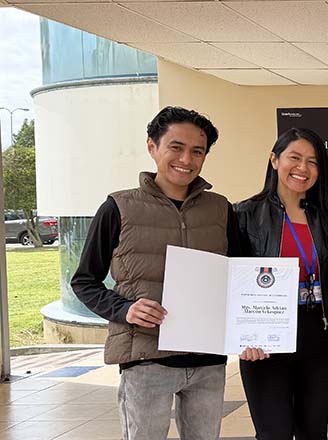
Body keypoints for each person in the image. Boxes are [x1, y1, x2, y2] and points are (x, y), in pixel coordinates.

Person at [71, 106, 236, 440]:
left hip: (208, 360)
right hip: (146, 359)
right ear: (152, 146)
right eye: (176, 147)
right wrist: (125, 309)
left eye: (197, 151)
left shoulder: (220, 208)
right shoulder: (118, 208)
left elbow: (240, 276)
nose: (186, 160)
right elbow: (84, 281)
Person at [234, 127, 328, 440]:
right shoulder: (244, 215)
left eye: (313, 162)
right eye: (295, 158)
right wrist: (241, 337)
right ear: (275, 160)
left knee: (313, 431)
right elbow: (230, 282)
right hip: (266, 339)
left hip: (320, 334)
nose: (303, 168)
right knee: (273, 433)